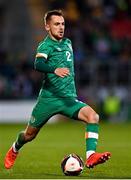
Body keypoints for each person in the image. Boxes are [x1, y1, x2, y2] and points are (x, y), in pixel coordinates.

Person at [4, 9, 111, 170]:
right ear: (47, 27)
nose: (61, 27)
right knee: (28, 135)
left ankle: (90, 157)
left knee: (93, 116)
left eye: (63, 24)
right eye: (56, 24)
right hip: (49, 99)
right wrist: (54, 69)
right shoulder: (45, 45)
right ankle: (14, 148)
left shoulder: (68, 42)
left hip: (68, 99)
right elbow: (38, 64)